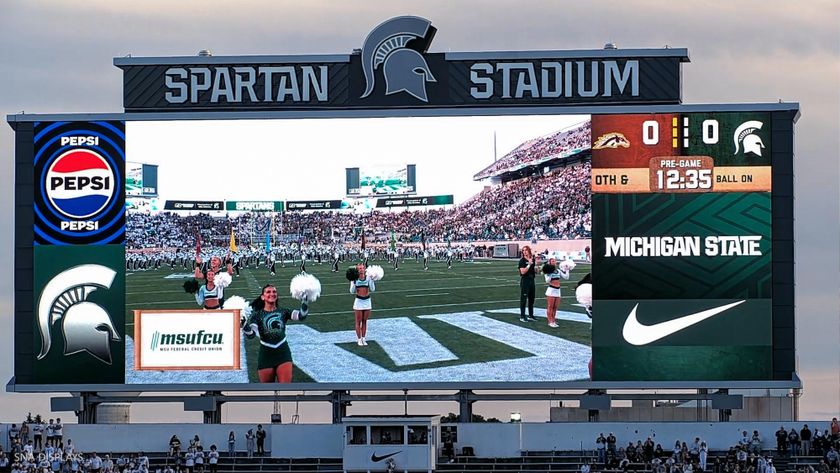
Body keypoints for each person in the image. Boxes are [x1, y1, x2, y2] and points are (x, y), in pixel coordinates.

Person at [242, 284, 310, 383]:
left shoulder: (283, 311)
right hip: (266, 354)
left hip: (283, 353)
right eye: (268, 292)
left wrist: (305, 301)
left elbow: (301, 315)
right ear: (262, 297)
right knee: (267, 392)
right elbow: (251, 335)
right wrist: (244, 324)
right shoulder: (256, 315)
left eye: (274, 292)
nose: (272, 294)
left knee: (285, 390)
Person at [349, 264, 375, 346]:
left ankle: (364, 338)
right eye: (360, 268)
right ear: (357, 270)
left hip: (367, 301)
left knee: (364, 321)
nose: (361, 269)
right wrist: (353, 282)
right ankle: (359, 339)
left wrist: (372, 280)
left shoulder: (368, 278)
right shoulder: (354, 279)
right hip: (359, 301)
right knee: (358, 321)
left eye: (363, 268)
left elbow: (373, 289)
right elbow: (351, 291)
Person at [542, 258, 570, 327]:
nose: (554, 262)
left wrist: (567, 270)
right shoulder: (547, 271)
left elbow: (566, 277)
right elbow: (547, 281)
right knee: (550, 306)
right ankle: (550, 321)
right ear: (550, 262)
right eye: (552, 261)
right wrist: (550, 274)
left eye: (554, 261)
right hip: (551, 290)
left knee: (555, 307)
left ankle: (553, 320)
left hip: (558, 290)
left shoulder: (558, 271)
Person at [518, 246, 538, 322]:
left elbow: (536, 272)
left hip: (532, 280)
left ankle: (531, 315)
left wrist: (536, 265)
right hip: (525, 281)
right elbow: (522, 272)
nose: (524, 252)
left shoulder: (532, 259)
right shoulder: (522, 261)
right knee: (523, 299)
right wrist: (529, 264)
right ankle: (522, 316)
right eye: (523, 250)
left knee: (531, 299)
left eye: (526, 250)